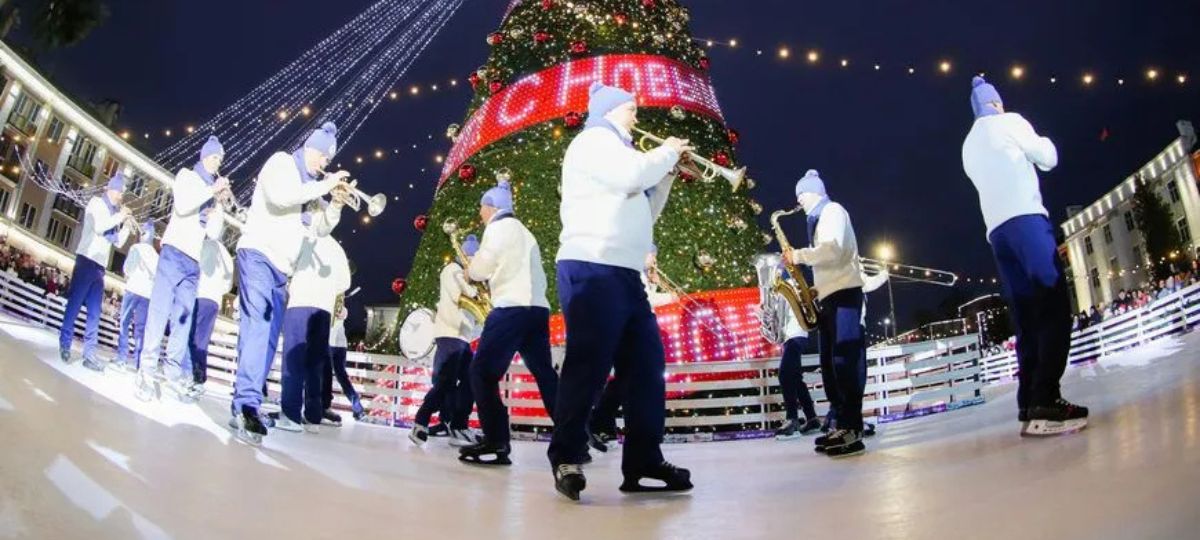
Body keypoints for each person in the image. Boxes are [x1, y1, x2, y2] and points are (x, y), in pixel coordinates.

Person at [547, 82, 694, 501]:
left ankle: (643, 459)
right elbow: (632, 175)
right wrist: (667, 151)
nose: (636, 116)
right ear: (611, 110)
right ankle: (566, 455)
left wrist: (667, 174)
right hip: (593, 265)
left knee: (646, 367)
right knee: (588, 366)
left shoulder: (623, 152)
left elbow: (645, 211)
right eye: (631, 108)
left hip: (625, 273)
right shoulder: (594, 140)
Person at [961, 75, 1088, 436]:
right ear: (996, 103)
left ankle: (1028, 401)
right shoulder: (1010, 122)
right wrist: (1041, 140)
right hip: (1027, 220)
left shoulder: (968, 145)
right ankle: (1047, 398)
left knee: (1026, 317)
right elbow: (1048, 158)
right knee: (1052, 306)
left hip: (997, 234)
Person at [229, 122, 349, 446]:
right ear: (311, 149)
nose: (325, 164)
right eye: (323, 157)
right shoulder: (282, 163)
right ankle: (248, 404)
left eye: (328, 159)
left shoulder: (313, 188)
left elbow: (321, 229)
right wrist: (324, 187)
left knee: (268, 339)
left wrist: (335, 204)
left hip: (282, 269)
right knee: (257, 325)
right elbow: (282, 197)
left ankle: (242, 403)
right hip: (257, 253)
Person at [457, 180, 558, 466]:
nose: (480, 214)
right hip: (537, 309)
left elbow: (481, 269)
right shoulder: (526, 231)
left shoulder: (497, 228)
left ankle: (496, 441)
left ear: (491, 207)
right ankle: (575, 437)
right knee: (545, 375)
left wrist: (470, 271)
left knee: (481, 373)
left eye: (481, 208)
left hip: (511, 308)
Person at [135, 137, 230, 402]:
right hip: (174, 252)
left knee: (183, 320)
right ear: (204, 156)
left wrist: (219, 204)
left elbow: (214, 233)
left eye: (220, 159)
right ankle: (146, 371)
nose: (217, 163)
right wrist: (211, 191)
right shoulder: (187, 176)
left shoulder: (211, 191)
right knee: (159, 312)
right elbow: (184, 204)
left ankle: (173, 373)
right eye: (214, 157)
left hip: (193, 261)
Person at [789, 169, 869, 458]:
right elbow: (829, 260)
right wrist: (814, 289)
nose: (798, 199)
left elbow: (832, 251)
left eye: (802, 193)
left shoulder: (832, 211)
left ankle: (852, 428)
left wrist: (798, 256)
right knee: (830, 365)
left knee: (845, 361)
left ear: (815, 192)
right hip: (830, 296)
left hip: (844, 294)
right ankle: (840, 423)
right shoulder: (819, 218)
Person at [588, 247, 677, 453]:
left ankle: (603, 421)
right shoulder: (632, 271)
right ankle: (601, 421)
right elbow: (643, 298)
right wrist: (668, 297)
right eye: (651, 254)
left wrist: (655, 284)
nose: (654, 259)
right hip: (628, 329)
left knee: (627, 378)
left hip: (632, 328)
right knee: (627, 378)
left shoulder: (641, 273)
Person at [278, 206, 350, 434]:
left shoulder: (303, 234)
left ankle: (290, 414)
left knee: (294, 359)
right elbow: (345, 283)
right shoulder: (337, 248)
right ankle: (313, 416)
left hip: (300, 302)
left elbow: (286, 262)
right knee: (315, 365)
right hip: (324, 309)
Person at [410, 234, 481, 447]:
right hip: (449, 334)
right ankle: (421, 422)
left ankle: (458, 425)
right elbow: (462, 294)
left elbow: (474, 313)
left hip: (463, 337)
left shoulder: (468, 276)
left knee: (470, 380)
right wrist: (475, 287)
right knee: (445, 382)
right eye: (472, 257)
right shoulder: (452, 270)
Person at [59, 172, 133, 371]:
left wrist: (126, 226)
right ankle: (65, 343)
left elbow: (118, 242)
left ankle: (89, 354)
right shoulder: (96, 204)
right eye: (120, 192)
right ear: (111, 190)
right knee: (74, 305)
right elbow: (100, 227)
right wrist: (120, 216)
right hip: (86, 260)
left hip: (100, 267)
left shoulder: (115, 213)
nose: (121, 196)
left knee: (95, 312)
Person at [187, 205, 234, 396]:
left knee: (192, 337)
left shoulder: (202, 245)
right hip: (214, 300)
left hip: (200, 295)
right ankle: (199, 375)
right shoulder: (227, 255)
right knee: (203, 339)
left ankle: (193, 373)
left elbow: (193, 269)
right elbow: (228, 285)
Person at [114, 221, 159, 373]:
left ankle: (121, 358)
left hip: (133, 289)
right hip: (147, 295)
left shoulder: (136, 248)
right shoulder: (156, 256)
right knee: (141, 329)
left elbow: (127, 269)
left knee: (124, 323)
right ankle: (139, 363)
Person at [323, 301, 364, 423]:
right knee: (341, 376)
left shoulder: (329, 303)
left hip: (330, 342)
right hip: (341, 343)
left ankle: (325, 407)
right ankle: (357, 406)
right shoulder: (342, 307)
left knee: (326, 375)